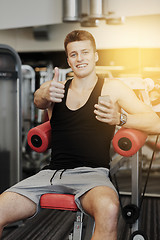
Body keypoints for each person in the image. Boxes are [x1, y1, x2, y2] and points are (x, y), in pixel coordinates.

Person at [0, 30, 160, 240]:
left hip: (92, 174)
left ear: (95, 56)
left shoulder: (113, 88)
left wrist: (120, 118)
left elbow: (155, 123)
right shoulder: (56, 89)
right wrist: (42, 93)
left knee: (109, 208)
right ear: (68, 60)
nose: (79, 58)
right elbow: (39, 100)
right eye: (73, 54)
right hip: (51, 174)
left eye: (85, 52)